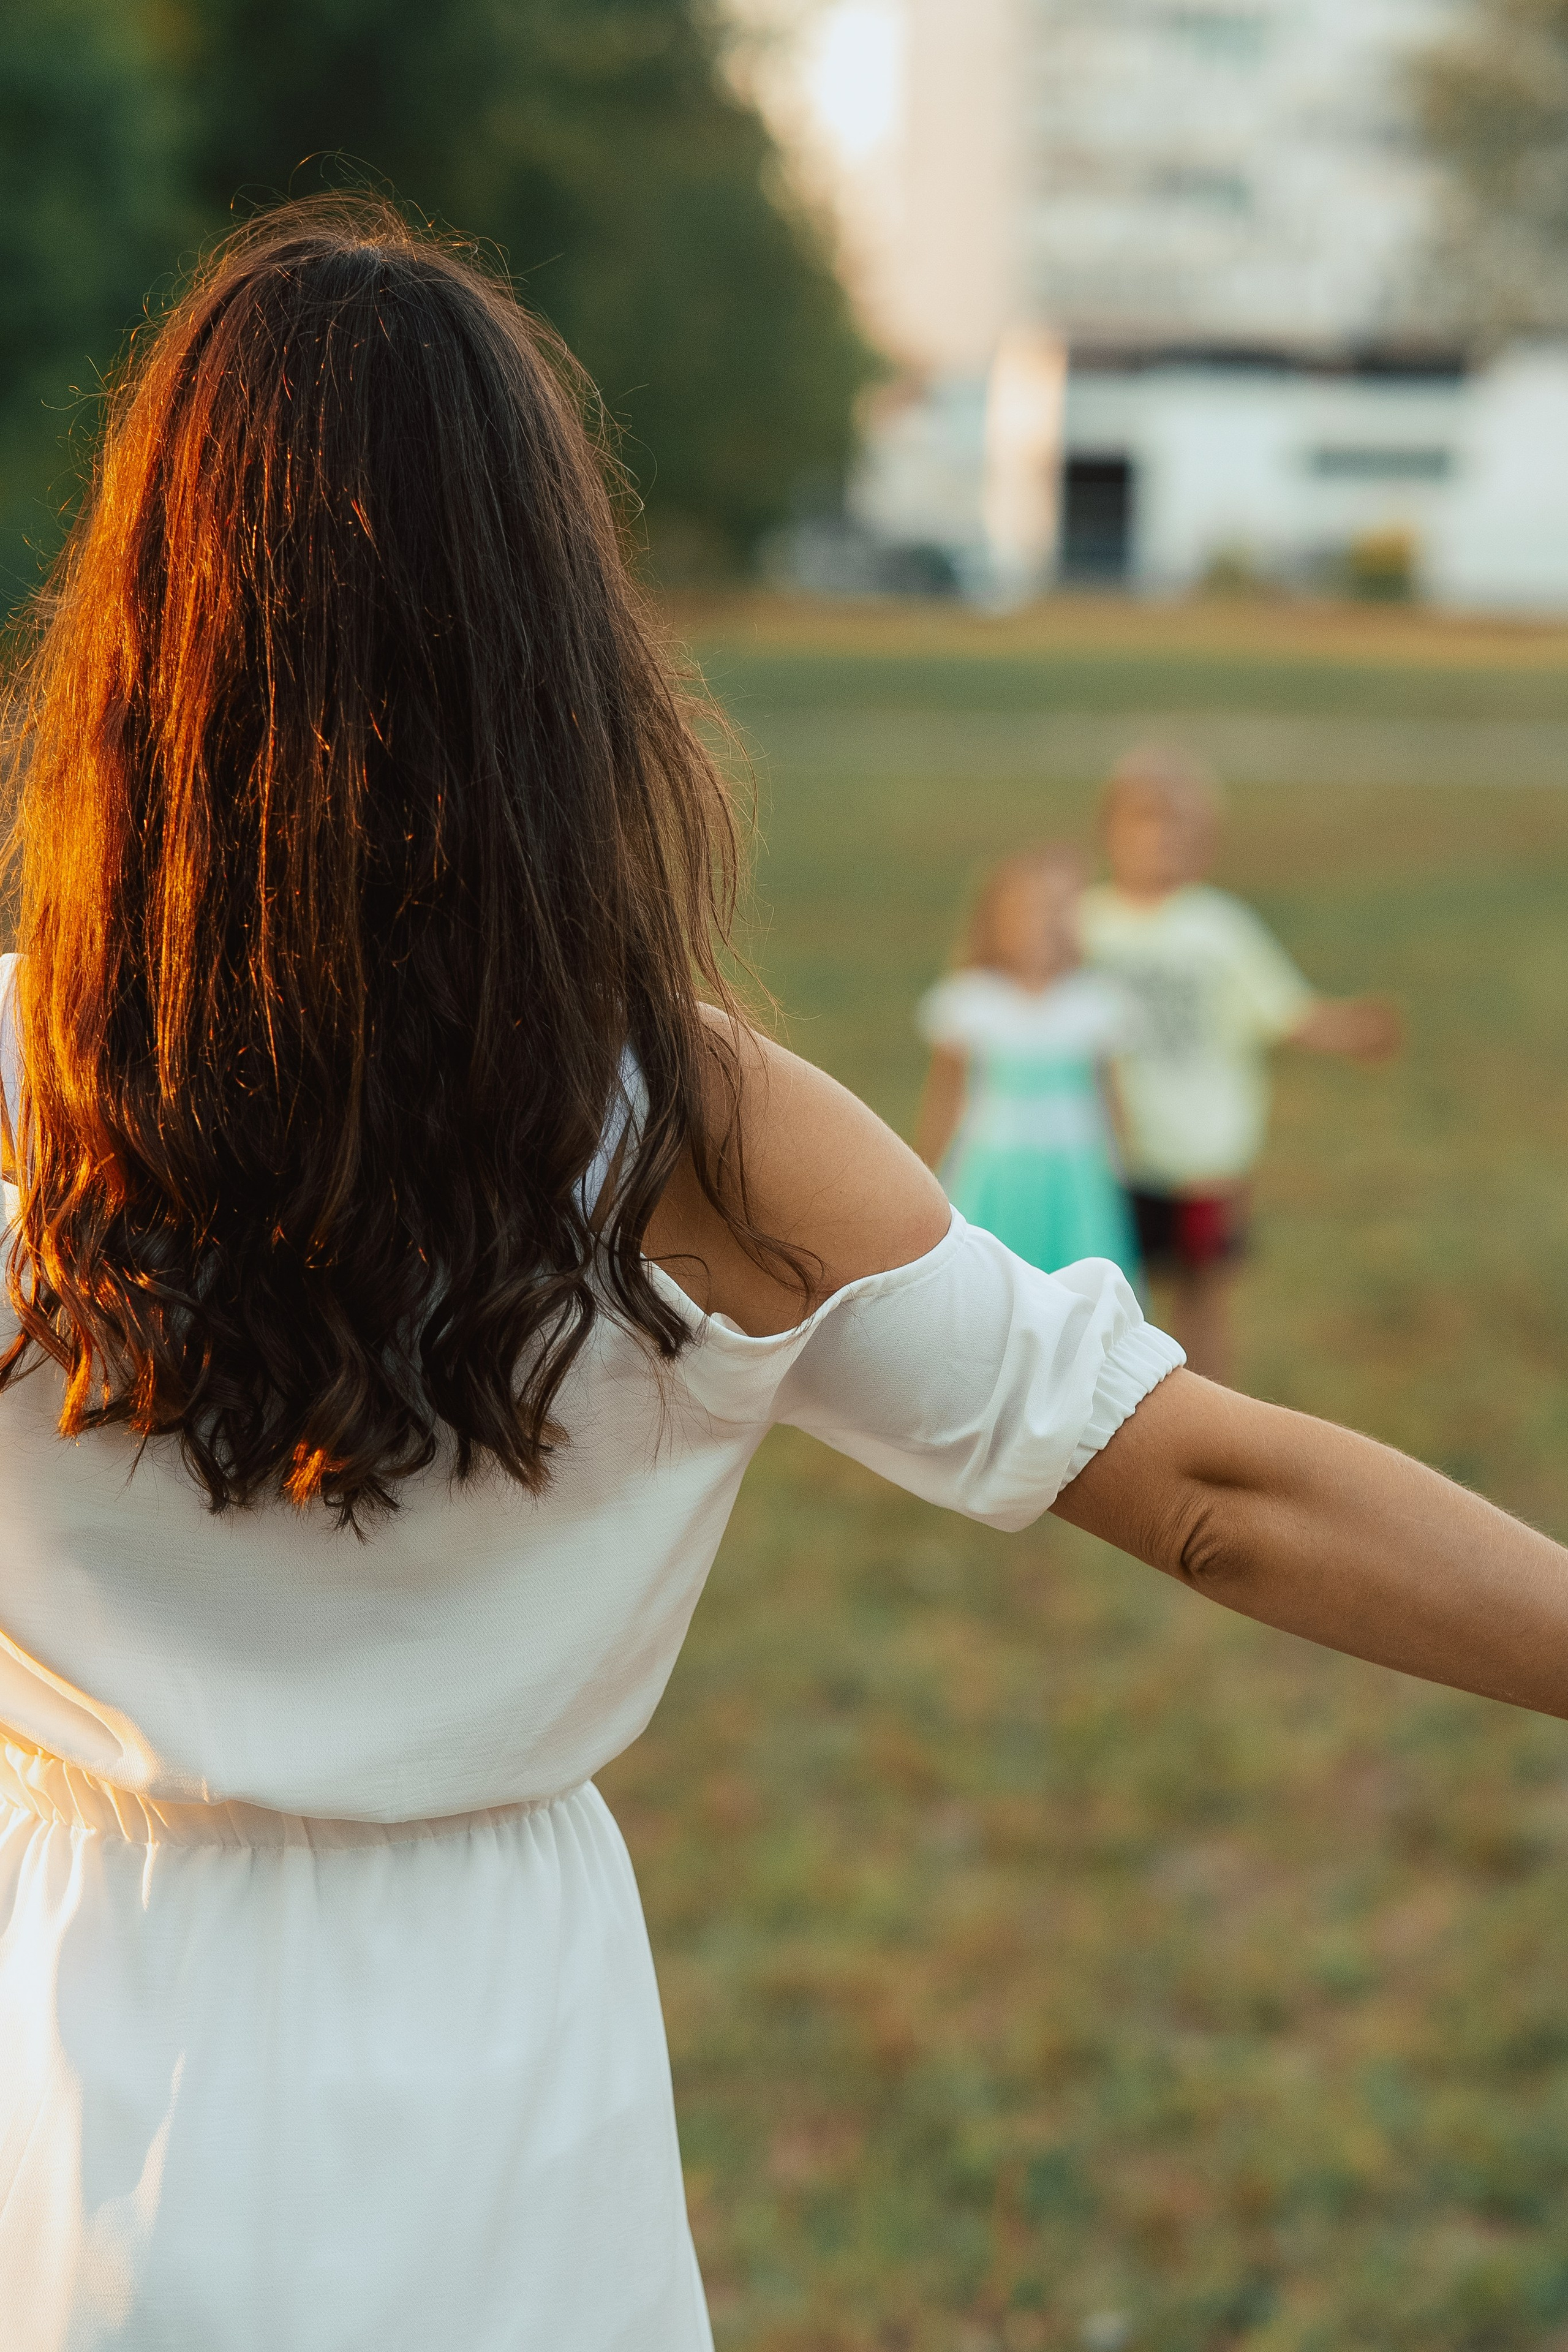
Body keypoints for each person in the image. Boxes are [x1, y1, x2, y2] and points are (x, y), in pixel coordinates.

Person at [2, 200, 1566, 2352]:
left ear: (139, 639)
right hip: (496, 2052)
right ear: (554, 647)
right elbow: (1211, 1490)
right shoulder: (697, 1129)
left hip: (75, 2047)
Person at [1081, 747, 1400, 1383]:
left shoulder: (1220, 929)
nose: (1159, 842)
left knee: (1202, 1293)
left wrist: (1351, 1032)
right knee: (1107, 1292)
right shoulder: (1083, 925)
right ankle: (1109, 1411)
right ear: (1109, 831)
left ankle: (1206, 1406)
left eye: (1178, 829)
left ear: (1205, 844)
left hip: (1204, 1153)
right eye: (1142, 822)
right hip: (1103, 1151)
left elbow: (1285, 1010)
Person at [913, 845, 1140, 1277]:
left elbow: (1110, 1096)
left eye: (1054, 913)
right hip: (994, 1170)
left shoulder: (1094, 1004)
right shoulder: (971, 1003)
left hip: (1076, 1172)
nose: (1039, 928)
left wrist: (1122, 1171)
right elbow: (944, 1100)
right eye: (1024, 914)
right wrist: (929, 1176)